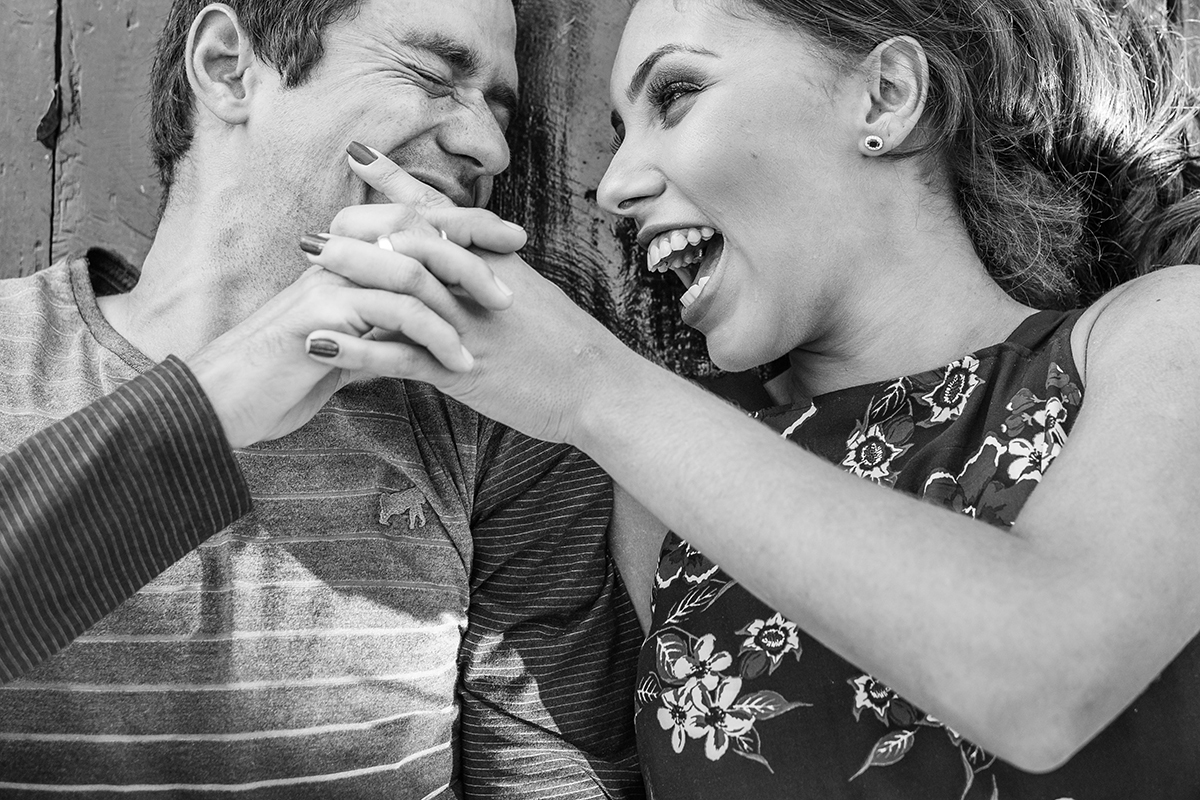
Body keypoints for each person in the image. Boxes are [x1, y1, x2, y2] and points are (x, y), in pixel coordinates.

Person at [301, 0, 1200, 797]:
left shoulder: (1161, 334)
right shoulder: (655, 495)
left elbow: (1050, 675)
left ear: (885, 97)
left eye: (675, 95)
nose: (614, 187)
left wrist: (588, 381)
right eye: (618, 133)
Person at [0, 0, 643, 797]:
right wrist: (210, 405)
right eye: (431, 74)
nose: (490, 147)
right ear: (228, 67)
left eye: (499, 111)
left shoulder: (498, 425)